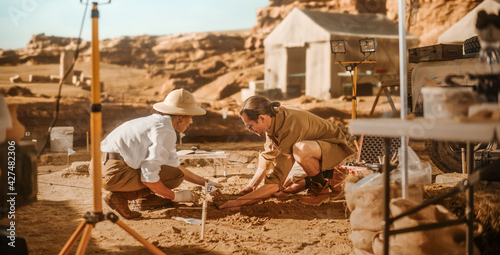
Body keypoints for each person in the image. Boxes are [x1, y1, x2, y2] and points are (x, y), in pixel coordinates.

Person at [98, 88, 221, 219]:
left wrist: (206, 182)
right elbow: (149, 177)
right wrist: (176, 197)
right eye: (190, 117)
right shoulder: (165, 130)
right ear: (179, 117)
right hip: (113, 173)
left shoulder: (155, 123)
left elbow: (173, 166)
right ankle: (120, 198)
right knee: (175, 177)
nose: (191, 122)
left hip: (99, 168)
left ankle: (146, 199)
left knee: (171, 172)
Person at [219, 95, 354, 209]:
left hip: (334, 148)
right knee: (286, 187)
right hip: (314, 151)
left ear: (261, 118)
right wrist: (251, 186)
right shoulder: (272, 120)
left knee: (299, 151)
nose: (249, 130)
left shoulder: (289, 126)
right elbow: (269, 156)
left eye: (250, 125)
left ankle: (322, 187)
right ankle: (330, 176)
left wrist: (239, 202)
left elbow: (275, 180)